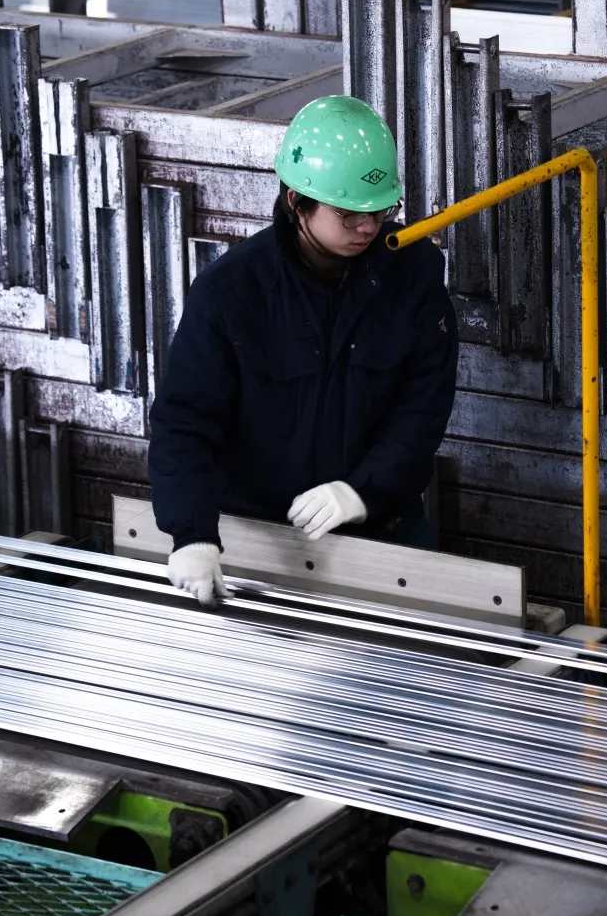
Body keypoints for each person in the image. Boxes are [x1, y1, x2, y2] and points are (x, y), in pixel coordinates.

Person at [148, 95, 460, 605]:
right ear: (297, 203)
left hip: (383, 531)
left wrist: (363, 491)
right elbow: (186, 422)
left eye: (382, 209)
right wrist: (193, 535)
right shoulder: (232, 294)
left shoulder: (413, 274)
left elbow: (422, 410)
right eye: (348, 213)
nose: (369, 227)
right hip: (261, 540)